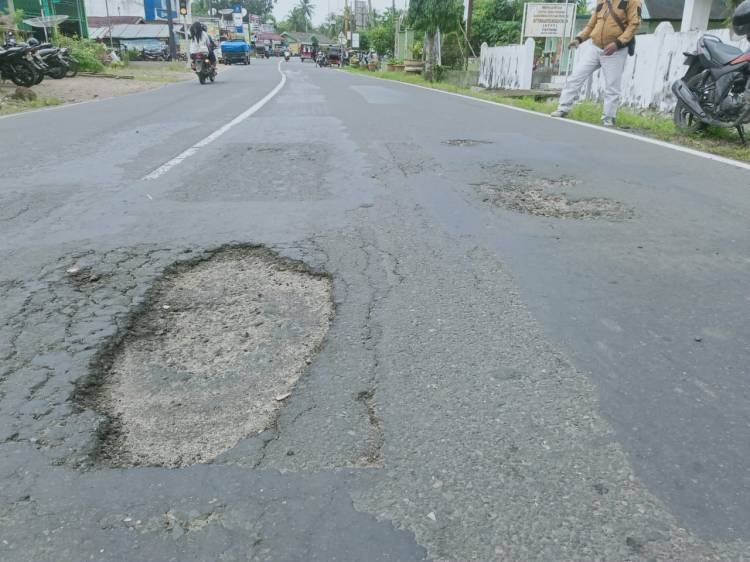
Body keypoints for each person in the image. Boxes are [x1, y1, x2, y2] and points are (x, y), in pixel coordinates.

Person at [550, 0, 642, 127]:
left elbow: (634, 24)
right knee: (576, 76)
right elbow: (592, 24)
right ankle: (563, 108)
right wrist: (579, 39)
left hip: (616, 50)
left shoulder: (632, 1)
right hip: (595, 47)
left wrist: (618, 43)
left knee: (612, 86)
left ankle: (608, 117)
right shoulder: (602, 1)